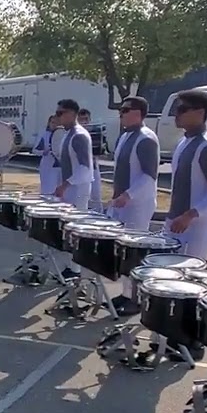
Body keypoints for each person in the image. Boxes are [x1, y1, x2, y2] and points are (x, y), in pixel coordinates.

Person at [163, 90, 207, 359]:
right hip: (177, 222)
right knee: (174, 282)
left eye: (182, 109)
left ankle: (194, 341)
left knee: (193, 284)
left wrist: (190, 215)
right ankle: (177, 336)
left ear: (200, 113)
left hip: (197, 227)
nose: (176, 114)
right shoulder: (185, 142)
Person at [107, 96, 160, 313]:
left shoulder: (146, 138)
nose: (121, 114)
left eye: (125, 110)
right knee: (124, 253)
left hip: (138, 205)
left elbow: (149, 176)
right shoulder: (126, 136)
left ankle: (137, 298)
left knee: (135, 253)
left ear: (138, 113)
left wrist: (128, 195)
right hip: (123, 204)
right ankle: (126, 293)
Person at [53, 99, 97, 280]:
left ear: (72, 114)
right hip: (71, 188)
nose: (58, 117)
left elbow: (85, 168)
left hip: (78, 189)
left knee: (76, 228)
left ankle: (76, 270)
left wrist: (65, 184)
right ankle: (71, 267)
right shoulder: (68, 134)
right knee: (68, 229)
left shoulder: (79, 135)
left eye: (61, 113)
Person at [77, 107, 103, 212]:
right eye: (81, 119)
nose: (84, 122)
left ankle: (99, 214)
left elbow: (102, 150)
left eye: (86, 119)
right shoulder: (76, 134)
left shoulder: (95, 132)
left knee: (96, 194)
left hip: (94, 167)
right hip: (80, 169)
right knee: (82, 195)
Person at [34, 114, 62, 196]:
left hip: (60, 166)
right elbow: (35, 150)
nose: (54, 125)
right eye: (52, 122)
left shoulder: (63, 134)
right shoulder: (44, 134)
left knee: (60, 190)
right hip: (47, 166)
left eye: (56, 123)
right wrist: (43, 152)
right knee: (48, 190)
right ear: (49, 123)